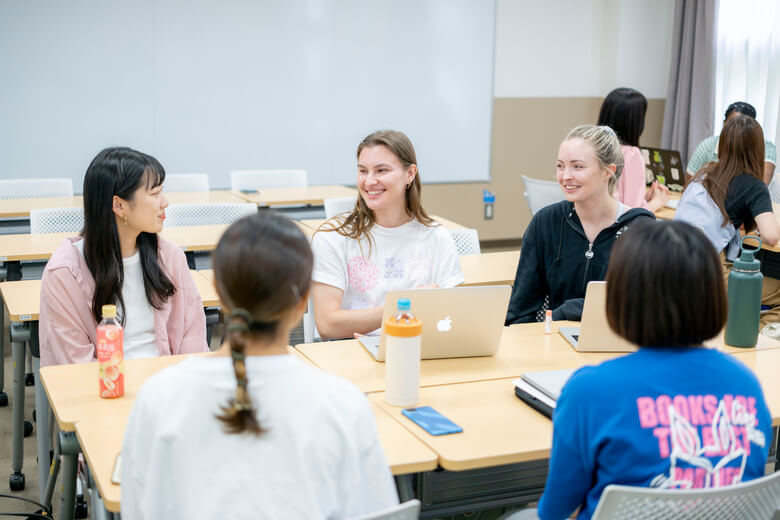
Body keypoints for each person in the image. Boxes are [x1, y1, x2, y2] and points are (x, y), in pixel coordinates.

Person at [121, 213, 399, 518]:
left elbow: (139, 508)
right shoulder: (343, 405)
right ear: (303, 299)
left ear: (218, 290)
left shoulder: (159, 396)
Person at [537, 219, 771, 520]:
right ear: (713, 293)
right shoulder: (745, 384)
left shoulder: (590, 391)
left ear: (621, 297)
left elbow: (555, 510)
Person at [40, 147, 207, 366]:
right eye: (155, 194)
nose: (165, 202)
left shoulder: (169, 257)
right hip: (106, 388)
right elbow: (76, 363)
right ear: (119, 205)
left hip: (168, 384)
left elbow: (192, 335)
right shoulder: (64, 273)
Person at [311, 129, 463, 339]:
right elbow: (328, 325)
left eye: (381, 170)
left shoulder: (437, 237)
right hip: (350, 356)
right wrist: (402, 306)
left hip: (417, 350)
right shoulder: (333, 237)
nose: (369, 181)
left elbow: (453, 318)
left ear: (410, 174)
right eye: (363, 171)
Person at [505, 125, 654, 324]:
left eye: (577, 167)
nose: (565, 176)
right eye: (560, 166)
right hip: (555, 345)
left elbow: (642, 308)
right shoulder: (545, 223)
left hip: (616, 344)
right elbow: (519, 311)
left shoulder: (640, 229)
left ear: (607, 172)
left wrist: (567, 311)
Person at [675, 115, 780, 327]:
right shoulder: (753, 185)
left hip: (672, 266)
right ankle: (748, 332)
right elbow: (771, 235)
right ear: (758, 150)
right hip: (709, 274)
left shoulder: (704, 174)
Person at [597, 87, 669, 211]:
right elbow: (631, 215)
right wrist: (658, 202)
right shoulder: (631, 155)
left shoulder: (593, 148)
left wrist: (644, 198)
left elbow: (619, 199)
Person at [687, 102, 777, 192]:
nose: (736, 131)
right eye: (732, 124)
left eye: (743, 127)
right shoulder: (708, 145)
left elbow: (759, 188)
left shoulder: (765, 147)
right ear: (724, 124)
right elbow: (688, 186)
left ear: (753, 129)